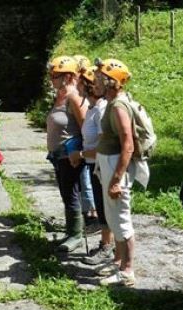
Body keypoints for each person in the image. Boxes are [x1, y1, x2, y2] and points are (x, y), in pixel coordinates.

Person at [94, 58, 145, 287]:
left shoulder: (118, 106)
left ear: (110, 82)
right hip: (110, 166)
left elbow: (128, 145)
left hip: (117, 168)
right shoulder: (112, 103)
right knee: (114, 218)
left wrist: (116, 180)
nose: (95, 81)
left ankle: (127, 271)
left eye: (99, 78)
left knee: (121, 220)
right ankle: (120, 263)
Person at [69, 65, 115, 266]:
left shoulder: (101, 110)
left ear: (88, 87)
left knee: (106, 208)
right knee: (101, 205)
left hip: (101, 165)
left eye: (79, 84)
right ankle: (106, 243)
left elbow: (103, 146)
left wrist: (79, 154)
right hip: (92, 164)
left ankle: (108, 247)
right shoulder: (92, 108)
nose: (76, 88)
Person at [46, 55, 87, 252]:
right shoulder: (60, 95)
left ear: (69, 76)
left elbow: (85, 127)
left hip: (69, 156)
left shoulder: (74, 97)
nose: (51, 78)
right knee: (65, 193)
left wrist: (79, 152)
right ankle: (71, 232)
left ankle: (76, 235)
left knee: (71, 193)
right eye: (51, 74)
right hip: (57, 155)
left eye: (55, 75)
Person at [73, 55, 97, 222]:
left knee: (86, 178)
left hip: (90, 150)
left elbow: (84, 123)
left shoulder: (95, 106)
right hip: (87, 148)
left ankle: (91, 210)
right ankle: (91, 209)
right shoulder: (88, 103)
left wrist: (82, 151)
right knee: (86, 178)